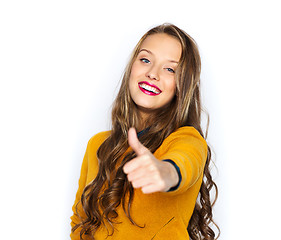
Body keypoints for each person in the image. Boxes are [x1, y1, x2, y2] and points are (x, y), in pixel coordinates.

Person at [70, 23, 219, 240]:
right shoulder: (98, 145)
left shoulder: (187, 139)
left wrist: (165, 172)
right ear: (132, 67)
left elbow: (183, 163)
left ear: (182, 85)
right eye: (145, 60)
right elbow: (79, 222)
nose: (152, 74)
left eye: (170, 69)